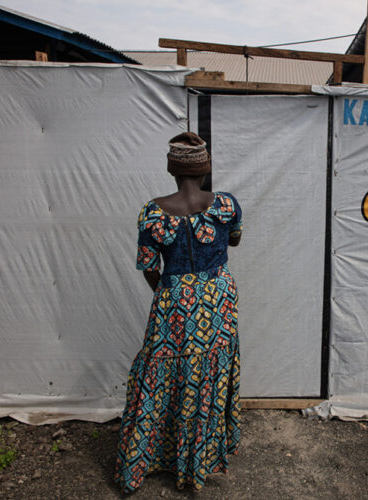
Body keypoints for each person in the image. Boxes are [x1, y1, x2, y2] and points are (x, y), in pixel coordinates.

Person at [115, 132, 242, 492]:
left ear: (172, 170)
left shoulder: (152, 212)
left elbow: (147, 265)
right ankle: (200, 460)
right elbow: (234, 238)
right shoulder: (227, 205)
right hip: (219, 299)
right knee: (209, 375)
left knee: (159, 372)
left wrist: (171, 293)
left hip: (173, 299)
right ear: (206, 169)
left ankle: (147, 461)